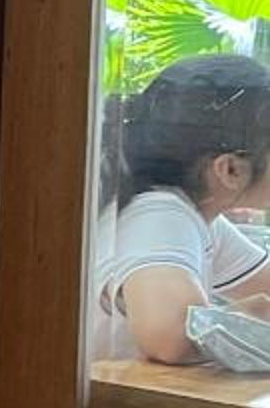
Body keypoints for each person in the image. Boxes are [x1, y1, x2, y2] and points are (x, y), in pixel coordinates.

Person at [94, 51, 270, 365]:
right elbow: (169, 335)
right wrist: (253, 316)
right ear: (230, 170)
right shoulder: (159, 214)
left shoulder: (199, 214)